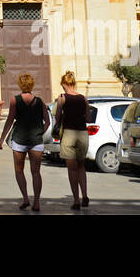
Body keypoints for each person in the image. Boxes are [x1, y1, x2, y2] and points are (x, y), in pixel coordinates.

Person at [0, 73, 50, 211]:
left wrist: (2, 139)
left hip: (19, 140)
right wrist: (40, 132)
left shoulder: (15, 100)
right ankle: (36, 202)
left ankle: (26, 198)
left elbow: (10, 120)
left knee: (19, 171)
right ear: (32, 84)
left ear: (20, 85)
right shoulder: (40, 101)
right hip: (36, 141)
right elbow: (48, 121)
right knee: (36, 172)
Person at [55, 71, 90, 210]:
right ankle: (85, 195)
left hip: (69, 134)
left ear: (64, 84)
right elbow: (88, 119)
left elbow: (57, 117)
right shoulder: (83, 98)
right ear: (74, 83)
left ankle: (76, 200)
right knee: (81, 167)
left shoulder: (62, 98)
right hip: (82, 134)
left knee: (71, 169)